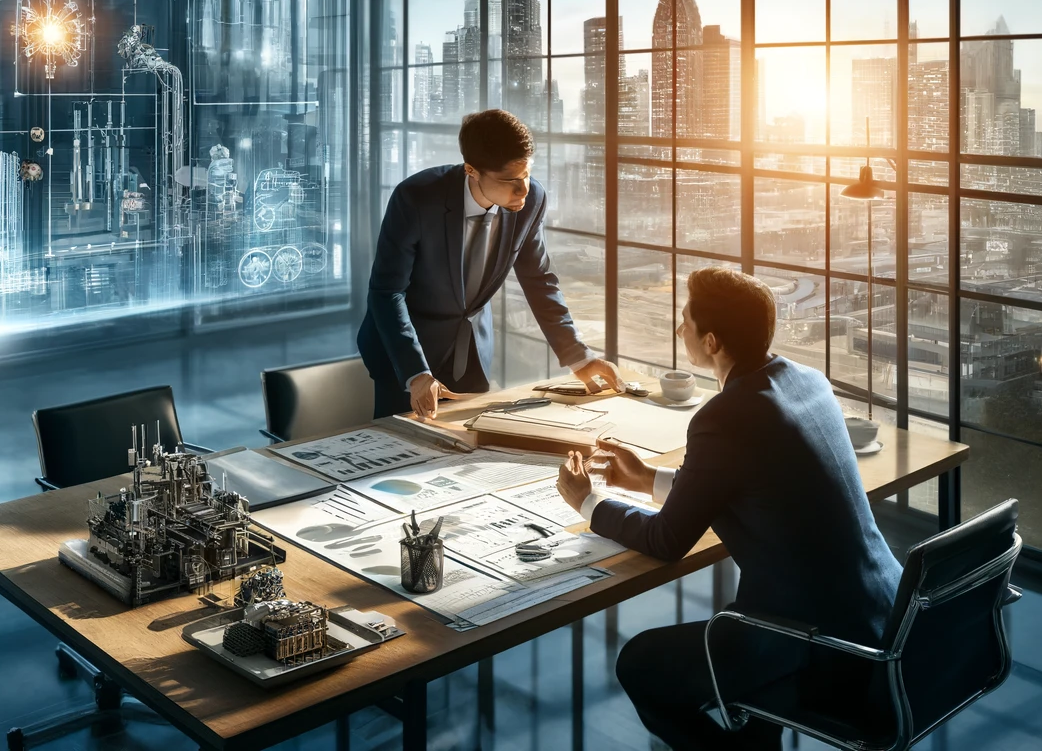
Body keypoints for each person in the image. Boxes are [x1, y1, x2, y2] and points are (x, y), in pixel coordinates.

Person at [554, 266, 902, 751]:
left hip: (816, 644)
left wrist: (588, 502)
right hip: (885, 617)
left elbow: (666, 541)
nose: (679, 329)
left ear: (712, 341)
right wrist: (647, 478)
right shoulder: (807, 381)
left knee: (641, 664)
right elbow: (754, 483)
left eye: (686, 321)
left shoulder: (723, 417)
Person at [358, 108, 618, 419]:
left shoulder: (532, 200)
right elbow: (387, 292)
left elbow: (538, 279)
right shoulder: (416, 198)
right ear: (471, 170)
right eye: (511, 180)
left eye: (527, 174)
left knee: (469, 441)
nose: (524, 189)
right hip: (405, 359)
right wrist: (416, 374)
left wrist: (579, 357)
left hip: (472, 353)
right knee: (400, 442)